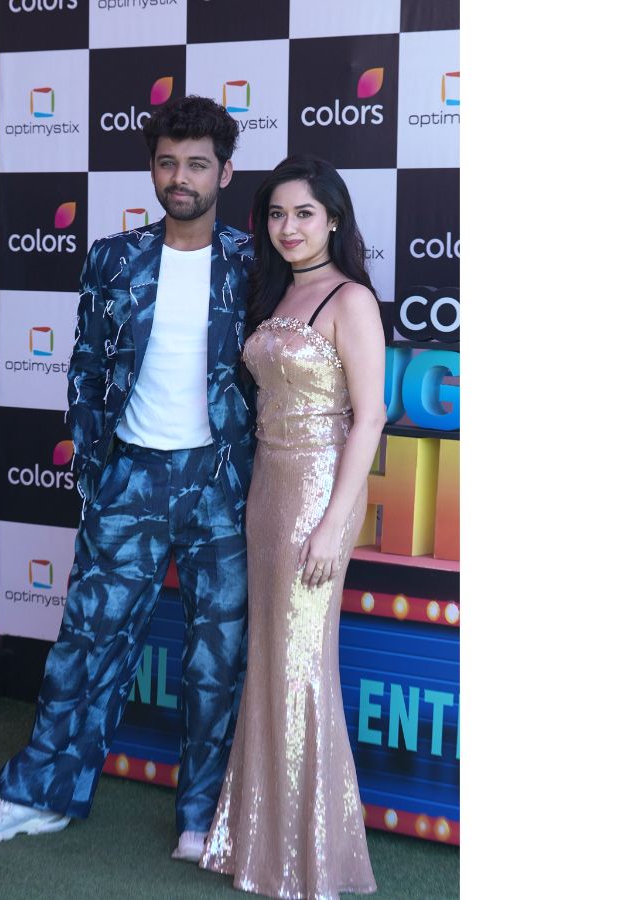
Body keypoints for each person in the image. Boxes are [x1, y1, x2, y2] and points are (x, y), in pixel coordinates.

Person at [0, 96, 257, 861]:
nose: (180, 177)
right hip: (130, 476)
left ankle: (204, 816)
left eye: (196, 164)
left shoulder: (256, 263)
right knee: (86, 642)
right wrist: (97, 464)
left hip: (224, 487)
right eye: (167, 162)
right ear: (152, 168)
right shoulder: (114, 257)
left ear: (225, 172)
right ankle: (38, 795)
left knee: (217, 659)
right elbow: (85, 364)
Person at [199, 156, 386, 898]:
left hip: (318, 497)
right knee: (270, 662)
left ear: (333, 219)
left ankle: (309, 858)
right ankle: (256, 840)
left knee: (302, 667)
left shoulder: (350, 298)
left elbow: (369, 417)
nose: (289, 227)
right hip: (267, 491)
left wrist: (333, 524)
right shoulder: (274, 291)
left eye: (304, 213)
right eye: (276, 214)